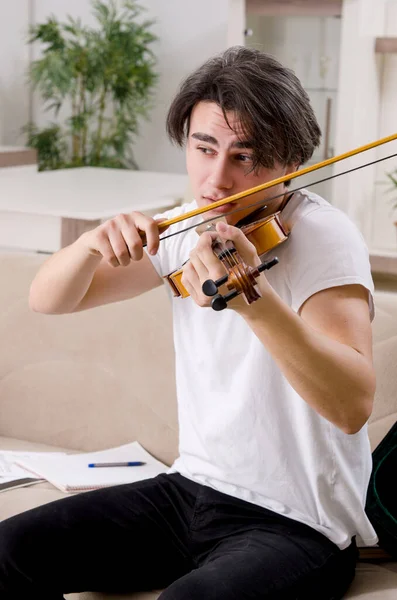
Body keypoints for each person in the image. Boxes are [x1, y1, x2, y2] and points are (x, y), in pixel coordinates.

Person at [0, 46, 377, 599]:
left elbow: (351, 405)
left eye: (245, 157)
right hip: (193, 490)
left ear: (292, 161)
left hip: (297, 522)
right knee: (8, 553)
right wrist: (89, 244)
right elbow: (49, 299)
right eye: (205, 149)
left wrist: (255, 301)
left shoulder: (323, 236)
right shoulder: (184, 227)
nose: (216, 181)